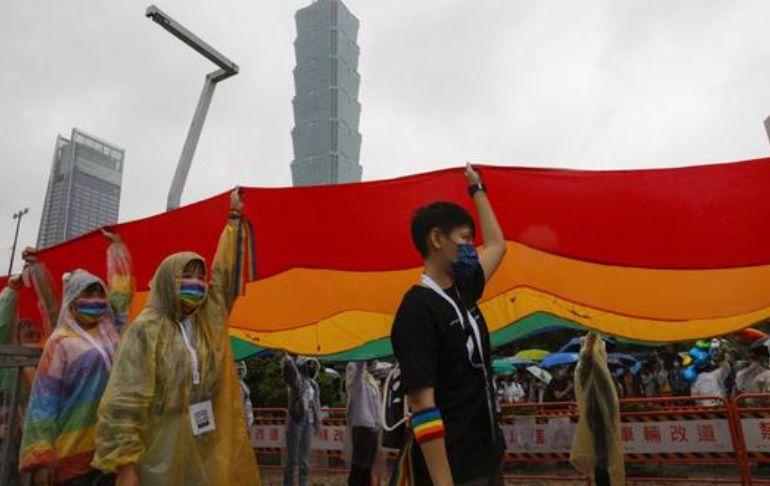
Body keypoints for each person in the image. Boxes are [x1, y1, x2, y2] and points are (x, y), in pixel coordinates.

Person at [92, 189, 260, 486]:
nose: (195, 284)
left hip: (203, 442)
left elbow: (224, 278)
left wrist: (233, 221)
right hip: (158, 449)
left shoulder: (205, 322)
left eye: (199, 277)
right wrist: (125, 465)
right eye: (186, 276)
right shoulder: (147, 329)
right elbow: (125, 400)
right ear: (168, 281)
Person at [390, 164, 508, 485]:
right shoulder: (416, 309)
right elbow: (421, 403)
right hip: (455, 471)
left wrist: (476, 188)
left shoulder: (463, 289)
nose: (472, 248)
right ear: (437, 239)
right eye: (466, 239)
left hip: (486, 460)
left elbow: (499, 245)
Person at [19, 230, 134, 486]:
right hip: (71, 452)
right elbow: (43, 403)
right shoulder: (60, 341)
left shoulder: (110, 328)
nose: (95, 300)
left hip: (109, 446)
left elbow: (122, 295)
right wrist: (41, 459)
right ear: (72, 301)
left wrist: (117, 248)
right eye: (86, 294)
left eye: (99, 294)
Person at [570, 333, 625, 486]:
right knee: (602, 457)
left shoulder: (600, 370)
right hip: (597, 416)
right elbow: (587, 354)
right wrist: (593, 332)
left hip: (604, 414)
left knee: (606, 455)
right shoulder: (587, 367)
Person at [281, 354, 321, 486]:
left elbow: (316, 405)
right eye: (308, 363)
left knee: (304, 461)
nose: (311, 366)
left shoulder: (313, 384)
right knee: (292, 459)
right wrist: (287, 358)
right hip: (296, 420)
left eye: (312, 364)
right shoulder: (297, 381)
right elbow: (290, 373)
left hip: (308, 422)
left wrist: (317, 422)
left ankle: (303, 484)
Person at [345, 361, 381, 486]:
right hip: (361, 428)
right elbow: (359, 369)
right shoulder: (356, 384)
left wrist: (378, 424)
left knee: (367, 466)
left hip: (372, 428)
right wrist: (362, 357)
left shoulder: (370, 381)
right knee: (360, 466)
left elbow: (376, 405)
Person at [236, 361, 255, 429]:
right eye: (239, 370)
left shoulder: (241, 383)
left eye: (241, 369)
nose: (241, 372)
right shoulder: (235, 385)